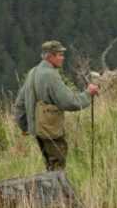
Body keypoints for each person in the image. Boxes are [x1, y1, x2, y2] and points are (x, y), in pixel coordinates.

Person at [14, 40, 99, 171]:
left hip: (38, 131)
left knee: (50, 165)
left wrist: (26, 127)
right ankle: (57, 191)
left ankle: (48, 190)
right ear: (50, 56)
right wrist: (88, 93)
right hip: (51, 130)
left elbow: (20, 104)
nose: (62, 58)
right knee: (57, 167)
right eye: (59, 54)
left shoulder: (33, 72)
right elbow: (70, 102)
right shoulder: (51, 75)